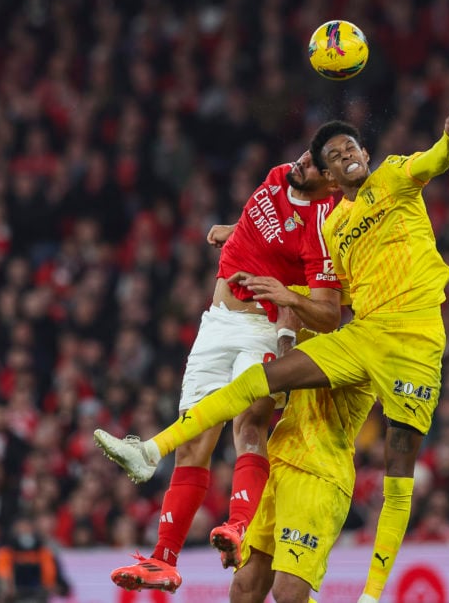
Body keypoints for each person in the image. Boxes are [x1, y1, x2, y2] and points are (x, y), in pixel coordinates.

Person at [95, 106, 449, 603]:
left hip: (399, 361)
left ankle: (371, 595)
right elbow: (302, 273)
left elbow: (429, 164)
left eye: (349, 149)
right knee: (246, 588)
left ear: (365, 154)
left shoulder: (394, 178)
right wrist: (240, 239)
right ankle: (151, 450)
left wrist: (448, 141)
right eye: (331, 155)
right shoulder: (333, 230)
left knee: (297, 585)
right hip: (289, 451)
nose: (342, 157)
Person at [107, 150, 343, 593]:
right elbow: (269, 233)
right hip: (217, 321)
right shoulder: (278, 176)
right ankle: (163, 560)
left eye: (315, 162)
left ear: (330, 182)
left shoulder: (323, 229)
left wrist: (289, 319)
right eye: (308, 152)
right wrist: (235, 231)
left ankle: (239, 527)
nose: (304, 159)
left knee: (249, 422)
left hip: (264, 327)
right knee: (192, 439)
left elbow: (328, 307)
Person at [229, 297, 375, 603]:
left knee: (288, 592)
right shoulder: (322, 331)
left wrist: (286, 328)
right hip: (278, 463)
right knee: (245, 586)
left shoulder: (363, 352)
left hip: (318, 473)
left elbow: (288, 373)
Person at [0, 515, 71, 603]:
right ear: (14, 532)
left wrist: (54, 588)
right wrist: (1, 594)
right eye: (21, 529)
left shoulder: (45, 554)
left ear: (34, 530)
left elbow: (64, 588)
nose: (25, 533)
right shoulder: (4, 555)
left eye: (27, 529)